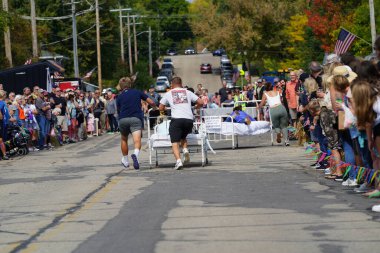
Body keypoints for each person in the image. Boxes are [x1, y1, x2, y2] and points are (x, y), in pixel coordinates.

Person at [159, 76, 203, 170]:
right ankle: (185, 150)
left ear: (172, 84)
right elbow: (201, 102)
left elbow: (160, 107)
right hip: (189, 120)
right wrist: (196, 107)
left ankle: (178, 161)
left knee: (175, 141)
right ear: (181, 83)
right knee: (183, 136)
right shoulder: (187, 92)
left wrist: (166, 108)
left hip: (177, 120)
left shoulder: (168, 93)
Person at [117, 77, 157, 170]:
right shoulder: (137, 92)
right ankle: (135, 154)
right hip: (136, 118)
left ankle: (125, 161)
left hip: (123, 119)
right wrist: (154, 107)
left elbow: (118, 109)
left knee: (124, 139)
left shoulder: (119, 96)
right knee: (137, 140)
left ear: (121, 86)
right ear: (130, 84)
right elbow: (151, 101)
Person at [259, 82, 289, 146]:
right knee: (284, 126)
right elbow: (282, 99)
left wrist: (259, 106)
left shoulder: (265, 94)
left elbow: (262, 104)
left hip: (273, 109)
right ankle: (287, 141)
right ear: (272, 87)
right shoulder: (277, 91)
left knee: (276, 125)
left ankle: (278, 133)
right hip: (281, 107)